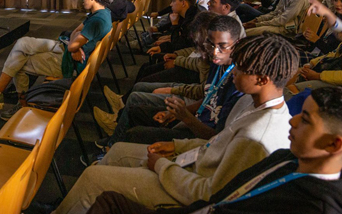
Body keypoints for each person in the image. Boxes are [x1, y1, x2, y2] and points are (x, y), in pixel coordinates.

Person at [54, 87, 342, 214]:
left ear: (334, 145)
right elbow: (220, 206)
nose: (293, 121)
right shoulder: (286, 160)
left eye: (307, 120)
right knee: (112, 203)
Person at [44, 34, 298, 214]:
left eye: (240, 69)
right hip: (191, 169)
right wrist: (176, 145)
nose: (233, 72)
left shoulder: (255, 137)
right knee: (120, 149)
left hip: (188, 196)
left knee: (93, 176)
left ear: (263, 79)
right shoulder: (251, 103)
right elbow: (215, 144)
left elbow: (209, 196)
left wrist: (163, 166)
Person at [0, 0, 113, 120]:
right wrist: (75, 43)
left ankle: (21, 103)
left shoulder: (97, 21)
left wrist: (74, 45)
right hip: (66, 48)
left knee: (20, 64)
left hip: (70, 62)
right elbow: (75, 31)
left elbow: (73, 44)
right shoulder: (102, 13)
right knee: (23, 42)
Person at [95, 15, 241, 145]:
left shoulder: (236, 83)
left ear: (236, 43)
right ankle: (112, 142)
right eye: (210, 45)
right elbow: (208, 98)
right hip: (193, 117)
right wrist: (175, 113)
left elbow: (216, 139)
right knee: (136, 110)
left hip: (199, 138)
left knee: (135, 133)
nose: (215, 52)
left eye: (222, 46)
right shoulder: (218, 63)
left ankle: (112, 149)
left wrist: (185, 116)